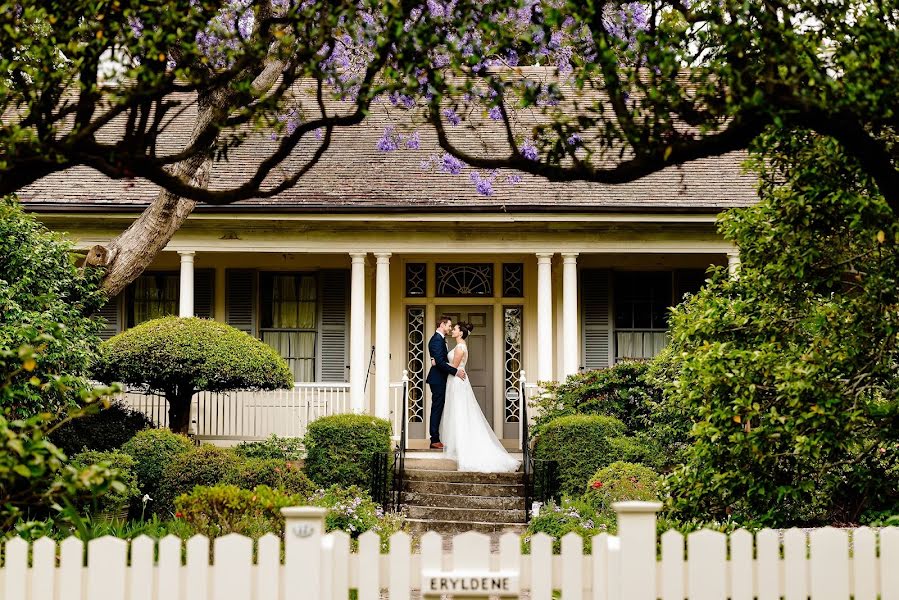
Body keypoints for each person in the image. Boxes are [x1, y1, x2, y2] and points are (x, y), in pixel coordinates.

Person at [441, 321, 520, 473]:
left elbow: (454, 367)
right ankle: (459, 444)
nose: (453, 331)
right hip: (457, 380)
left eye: (455, 329)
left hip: (457, 381)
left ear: (461, 333)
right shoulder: (461, 345)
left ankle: (463, 447)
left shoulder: (460, 347)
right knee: (461, 412)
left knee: (459, 412)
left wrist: (438, 363)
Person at [426, 316, 465, 449]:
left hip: (442, 378)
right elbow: (441, 363)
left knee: (440, 407)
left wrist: (438, 361)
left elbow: (439, 361)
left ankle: (438, 437)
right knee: (437, 408)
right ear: (442, 324)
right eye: (449, 325)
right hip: (437, 379)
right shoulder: (436, 340)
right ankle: (434, 440)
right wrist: (455, 372)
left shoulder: (441, 339)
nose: (450, 328)